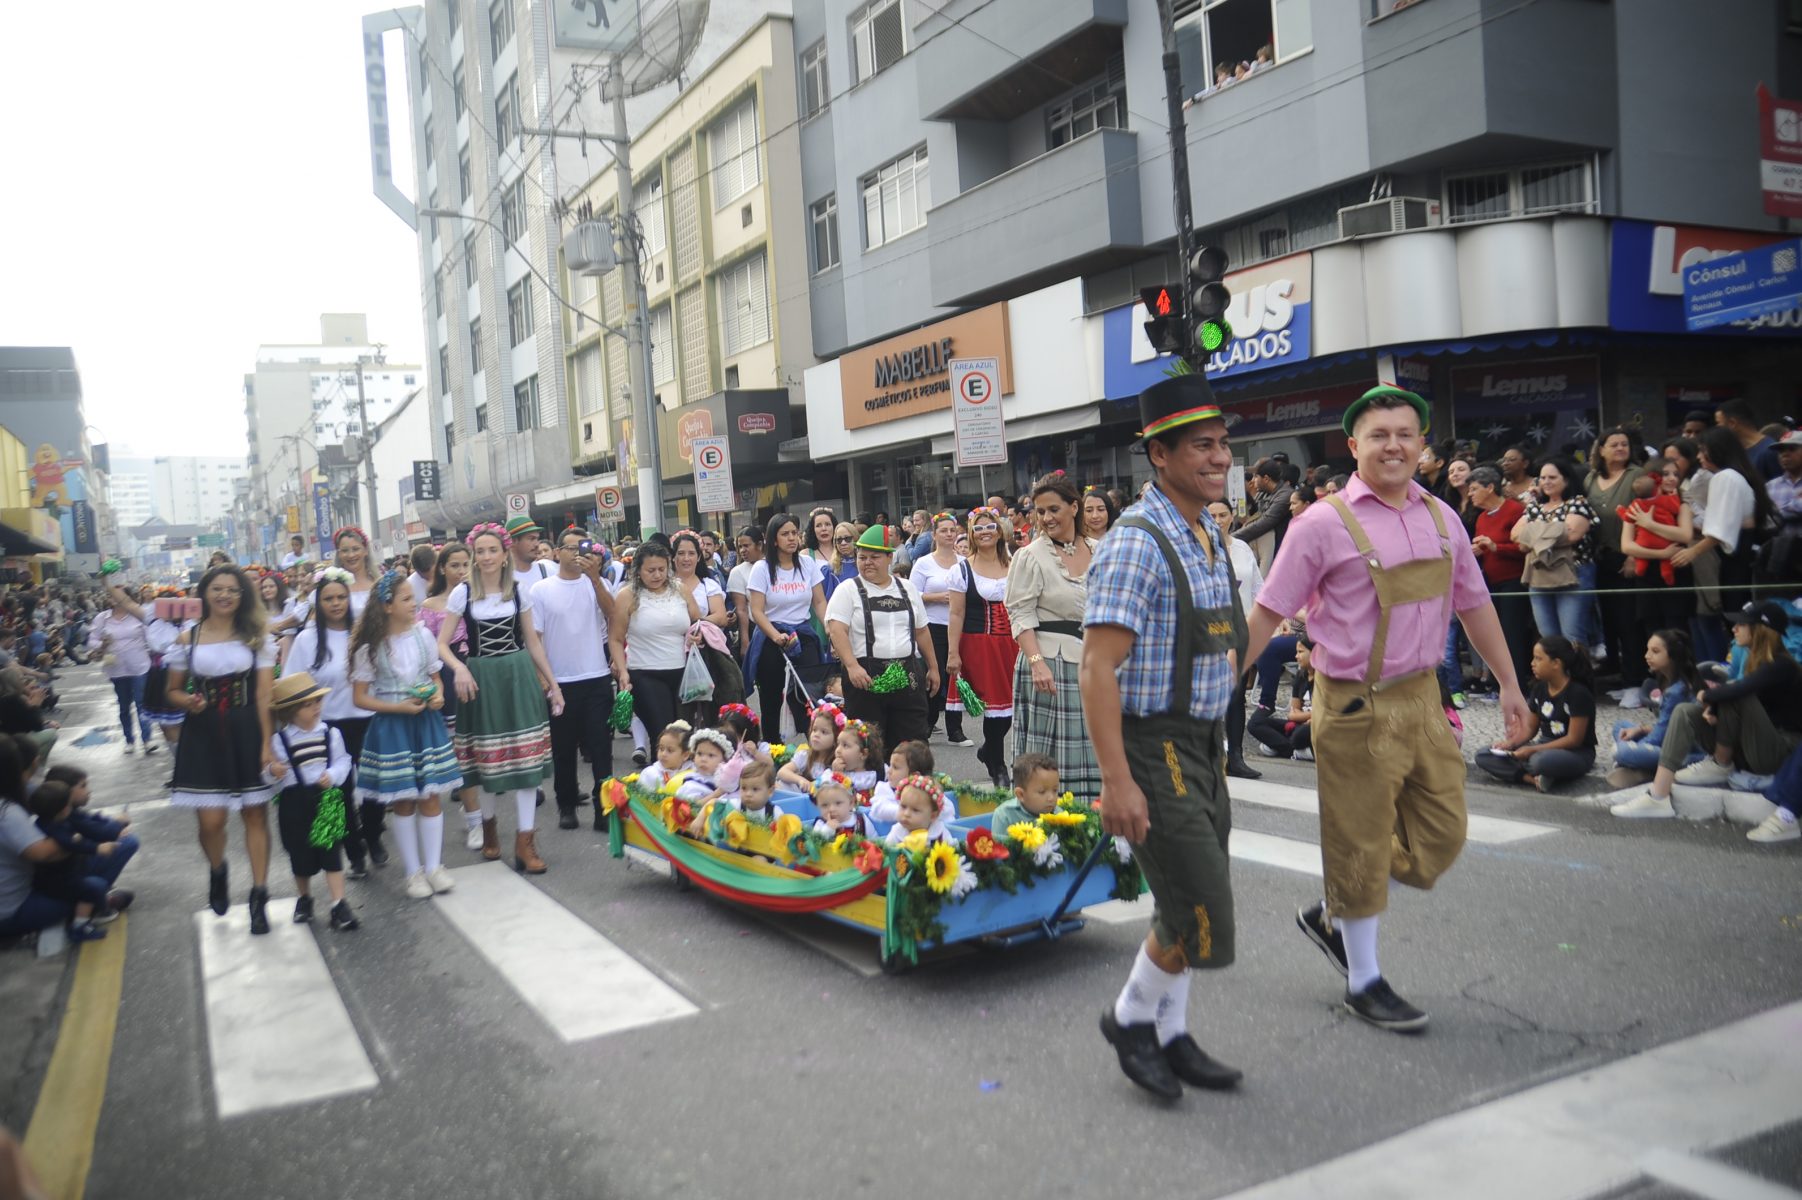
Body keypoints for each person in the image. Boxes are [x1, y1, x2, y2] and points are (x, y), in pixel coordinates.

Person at [1246, 384, 1529, 1034]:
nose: (1394, 445)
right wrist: (1219, 694)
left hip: (1423, 698)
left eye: (1406, 434)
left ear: (1422, 445)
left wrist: (1511, 684)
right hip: (1353, 708)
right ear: (1354, 447)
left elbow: (1475, 604)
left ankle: (1332, 912)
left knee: (1440, 837)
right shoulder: (1320, 524)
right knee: (1361, 842)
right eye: (1379, 435)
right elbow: (1266, 613)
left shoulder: (1442, 517)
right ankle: (1364, 980)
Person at [1082, 375, 1248, 1100]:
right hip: (1157, 747)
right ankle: (1129, 1019)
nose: (1221, 458)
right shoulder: (1136, 543)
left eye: (1223, 444)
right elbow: (1096, 668)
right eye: (1203, 446)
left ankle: (1171, 1033)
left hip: (1205, 744)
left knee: (1178, 899)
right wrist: (1118, 780)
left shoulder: (1208, 528)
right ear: (1160, 454)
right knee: (1200, 906)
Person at [439, 524, 562, 873]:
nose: (487, 557)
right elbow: (442, 644)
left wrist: (553, 683)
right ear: (474, 556)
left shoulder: (521, 591)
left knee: (526, 762)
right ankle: (489, 827)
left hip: (517, 674)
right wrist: (460, 669)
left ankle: (525, 841)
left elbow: (533, 642)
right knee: (486, 762)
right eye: (480, 551)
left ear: (504, 553)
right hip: (480, 677)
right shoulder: (462, 594)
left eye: (493, 550)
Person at [164, 564, 280, 935]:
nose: (225, 595)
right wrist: (188, 701)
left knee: (255, 815)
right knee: (210, 822)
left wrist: (267, 743)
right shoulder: (188, 639)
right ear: (205, 593)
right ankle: (218, 869)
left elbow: (264, 694)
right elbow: (172, 690)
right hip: (204, 732)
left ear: (243, 594)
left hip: (247, 728)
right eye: (218, 589)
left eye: (232, 589)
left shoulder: (257, 636)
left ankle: (259, 895)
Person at [1612, 601, 1802, 818]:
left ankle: (1720, 763)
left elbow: (1740, 691)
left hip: (1780, 749)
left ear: (1760, 630)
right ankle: (1658, 795)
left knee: (1735, 693)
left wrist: (1709, 697)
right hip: (1750, 746)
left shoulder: (1783, 665)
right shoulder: (1754, 662)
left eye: (1741, 624)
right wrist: (1717, 707)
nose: (1734, 629)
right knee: (1684, 711)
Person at [350, 571, 462, 899]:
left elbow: (435, 678)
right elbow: (360, 697)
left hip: (424, 722)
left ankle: (435, 867)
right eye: (406, 599)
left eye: (412, 598)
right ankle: (413, 872)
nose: (414, 604)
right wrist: (399, 708)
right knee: (402, 800)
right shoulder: (369, 646)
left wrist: (438, 696)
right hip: (393, 725)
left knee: (430, 796)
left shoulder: (422, 636)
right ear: (386, 606)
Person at [1007, 475, 1102, 798]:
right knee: (1048, 752)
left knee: (1092, 746)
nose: (1046, 518)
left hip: (1091, 661)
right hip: (1048, 663)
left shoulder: (1100, 551)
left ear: (1074, 508)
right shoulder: (1030, 556)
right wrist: (1036, 663)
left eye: (1054, 509)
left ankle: (1090, 820)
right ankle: (1042, 824)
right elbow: (1020, 613)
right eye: (1040, 511)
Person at [288, 568, 382, 876]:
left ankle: (373, 835)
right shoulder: (306, 640)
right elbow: (294, 684)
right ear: (318, 601)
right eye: (328, 598)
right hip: (328, 726)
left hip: (368, 718)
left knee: (373, 787)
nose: (336, 603)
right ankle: (354, 852)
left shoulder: (366, 633)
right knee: (338, 792)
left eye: (342, 597)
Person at [531, 528, 618, 833]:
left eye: (582, 548)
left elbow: (614, 616)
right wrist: (545, 679)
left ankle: (603, 807)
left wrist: (595, 580)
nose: (576, 554)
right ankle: (566, 804)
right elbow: (535, 639)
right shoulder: (541, 590)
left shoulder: (599, 583)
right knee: (564, 749)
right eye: (569, 549)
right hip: (561, 681)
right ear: (556, 553)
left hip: (596, 677)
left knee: (600, 748)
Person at [826, 526, 941, 750]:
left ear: (890, 557)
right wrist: (852, 666)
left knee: (913, 742)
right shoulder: (847, 589)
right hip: (865, 676)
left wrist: (933, 667)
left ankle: (911, 784)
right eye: (862, 557)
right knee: (868, 746)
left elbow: (921, 631)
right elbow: (836, 630)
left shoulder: (907, 589)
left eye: (874, 557)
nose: (867, 562)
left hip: (908, 673)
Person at [265, 672, 359, 931]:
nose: (316, 708)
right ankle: (304, 897)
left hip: (327, 798)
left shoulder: (331, 734)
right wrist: (273, 772)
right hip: (294, 802)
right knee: (299, 855)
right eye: (308, 705)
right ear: (290, 712)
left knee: (331, 853)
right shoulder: (280, 741)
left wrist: (334, 775)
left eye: (317, 702)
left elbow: (344, 760)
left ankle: (339, 903)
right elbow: (269, 775)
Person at [1676, 426, 1773, 661]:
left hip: (1735, 557)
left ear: (1717, 451)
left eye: (1703, 451)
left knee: (1737, 621)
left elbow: (1720, 528)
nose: (1698, 457)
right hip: (1742, 552)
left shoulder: (1726, 477)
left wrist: (1693, 552)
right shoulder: (1732, 475)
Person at [611, 541, 704, 759]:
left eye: (662, 569)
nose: (657, 575)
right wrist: (623, 671)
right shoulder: (627, 595)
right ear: (638, 571)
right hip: (645, 672)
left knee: (683, 736)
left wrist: (694, 635)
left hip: (682, 672)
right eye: (650, 570)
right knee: (662, 735)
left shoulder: (680, 589)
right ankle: (659, 786)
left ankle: (679, 787)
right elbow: (616, 639)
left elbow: (697, 621)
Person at [420, 544, 483, 852]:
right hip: (445, 676)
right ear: (442, 567)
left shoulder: (481, 598)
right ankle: (474, 819)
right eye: (454, 565)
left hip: (481, 672)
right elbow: (426, 650)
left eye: (465, 565)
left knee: (482, 749)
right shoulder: (429, 605)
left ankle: (481, 813)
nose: (461, 571)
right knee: (461, 753)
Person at [947, 507, 1015, 787]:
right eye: (978, 528)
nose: (985, 532)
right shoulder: (961, 568)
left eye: (990, 527)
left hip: (1014, 643)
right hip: (979, 645)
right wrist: (953, 652)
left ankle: (988, 750)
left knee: (1009, 711)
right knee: (992, 709)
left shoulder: (1016, 562)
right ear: (972, 534)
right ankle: (997, 765)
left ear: (1000, 531)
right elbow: (956, 613)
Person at [746, 514, 830, 739]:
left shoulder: (807, 564)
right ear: (773, 539)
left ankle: (818, 750)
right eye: (785, 534)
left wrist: (830, 628)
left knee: (811, 696)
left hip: (802, 633)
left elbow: (819, 601)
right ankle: (773, 750)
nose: (792, 538)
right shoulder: (762, 568)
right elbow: (756, 610)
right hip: (771, 636)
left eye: (794, 533)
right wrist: (775, 636)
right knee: (771, 699)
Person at [1476, 636, 1597, 792]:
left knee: (1539, 762)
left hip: (1576, 753)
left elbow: (1574, 740)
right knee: (1484, 755)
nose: (1532, 663)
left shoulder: (1578, 693)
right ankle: (1533, 779)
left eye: (1539, 659)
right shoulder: (1539, 689)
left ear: (1556, 663)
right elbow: (1530, 729)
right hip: (1543, 746)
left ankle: (1535, 772)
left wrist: (1532, 750)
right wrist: (1511, 744)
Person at [1585, 427, 1650, 688]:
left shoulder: (1637, 476)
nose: (1621, 448)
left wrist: (1634, 556)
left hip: (1628, 556)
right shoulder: (1590, 478)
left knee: (1628, 620)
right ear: (1601, 450)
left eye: (1624, 444)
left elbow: (1646, 516)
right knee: (1607, 618)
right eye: (1614, 444)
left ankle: (1634, 677)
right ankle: (1614, 668)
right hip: (1599, 557)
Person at [1208, 499, 1266, 780]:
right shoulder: (1192, 548)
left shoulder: (1242, 549)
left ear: (1232, 517)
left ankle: (1236, 756)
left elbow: (1257, 589)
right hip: (1206, 633)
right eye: (1212, 515)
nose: (1218, 520)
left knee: (1236, 696)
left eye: (1223, 515)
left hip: (1238, 631)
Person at [1513, 458, 1595, 647]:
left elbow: (1573, 534)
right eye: (1542, 478)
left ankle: (1578, 676)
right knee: (1548, 637)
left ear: (1566, 480)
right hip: (1538, 576)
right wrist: (1556, 531)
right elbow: (1516, 534)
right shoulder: (1534, 507)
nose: (1546, 482)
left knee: (1572, 636)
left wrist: (1533, 534)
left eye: (1552, 477)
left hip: (1574, 574)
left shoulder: (1578, 502)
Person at [1466, 465, 1534, 692]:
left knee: (1512, 633)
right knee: (1497, 635)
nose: (1469, 493)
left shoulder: (1516, 511)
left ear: (1490, 487)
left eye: (1474, 488)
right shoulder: (1482, 518)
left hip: (1514, 580)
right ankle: (1498, 683)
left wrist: (1495, 547)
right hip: (1491, 581)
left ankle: (1518, 686)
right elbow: (1486, 546)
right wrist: (1479, 550)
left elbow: (1524, 547)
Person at [1606, 629, 1701, 789]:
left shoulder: (1676, 691)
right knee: (1620, 726)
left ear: (1673, 656)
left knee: (1622, 752)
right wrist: (1640, 730)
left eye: (1655, 651)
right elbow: (1666, 727)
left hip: (1689, 754)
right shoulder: (1669, 681)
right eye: (1648, 650)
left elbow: (1658, 738)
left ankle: (1646, 769)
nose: (1647, 656)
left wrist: (1636, 747)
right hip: (1669, 739)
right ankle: (1646, 769)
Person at [909, 513, 969, 746]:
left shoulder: (963, 561)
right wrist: (937, 597)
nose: (948, 534)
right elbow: (912, 594)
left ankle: (955, 729)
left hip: (958, 626)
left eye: (952, 530)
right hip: (932, 626)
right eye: (943, 530)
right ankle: (926, 723)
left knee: (956, 676)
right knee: (935, 675)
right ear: (934, 535)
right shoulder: (924, 563)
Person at [87, 583, 156, 756]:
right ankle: (129, 740)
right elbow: (91, 641)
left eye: (118, 595)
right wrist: (102, 644)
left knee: (141, 703)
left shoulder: (139, 615)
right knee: (124, 706)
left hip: (139, 666)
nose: (114, 598)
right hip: (116, 668)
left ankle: (147, 740)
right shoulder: (102, 618)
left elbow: (152, 638)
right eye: (112, 595)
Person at [1247, 635, 1315, 760]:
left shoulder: (1323, 680)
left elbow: (1322, 714)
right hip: (1298, 725)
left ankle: (1283, 747)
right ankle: (1297, 751)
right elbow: (1292, 714)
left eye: (1300, 652)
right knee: (1254, 724)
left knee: (1301, 734)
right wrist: (1308, 715)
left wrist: (1306, 716)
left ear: (1315, 653)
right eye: (1296, 652)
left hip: (1313, 727)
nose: (1296, 656)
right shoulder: (1300, 676)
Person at [1236, 460, 1294, 571]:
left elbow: (1264, 523)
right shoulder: (1264, 493)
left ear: (1266, 479)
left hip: (1280, 551)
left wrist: (1233, 538)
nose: (1253, 480)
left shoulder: (1285, 495)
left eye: (1256, 477)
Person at [990, 751, 1060, 834]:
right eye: (1042, 792)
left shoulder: (1059, 814)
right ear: (1021, 795)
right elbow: (998, 846)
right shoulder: (1004, 816)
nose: (1051, 798)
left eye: (1055, 790)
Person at [1715, 397, 1781, 484]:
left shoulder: (1769, 450)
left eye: (1719, 423)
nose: (1717, 428)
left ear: (1732, 423)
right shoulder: (1733, 451)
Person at [725, 525, 763, 660]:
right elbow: (742, 610)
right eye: (740, 547)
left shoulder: (774, 566)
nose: (742, 550)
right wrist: (745, 642)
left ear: (759, 544)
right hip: (755, 629)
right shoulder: (738, 572)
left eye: (746, 546)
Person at [332, 527, 380, 618]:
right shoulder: (333, 586)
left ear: (365, 551)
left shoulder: (379, 583)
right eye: (345, 550)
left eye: (356, 549)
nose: (351, 555)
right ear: (338, 554)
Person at [637, 721, 692, 793]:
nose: (663, 754)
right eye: (661, 749)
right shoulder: (651, 774)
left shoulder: (693, 772)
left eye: (670, 750)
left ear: (685, 755)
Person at [504, 516, 553, 589]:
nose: (537, 544)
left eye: (537, 539)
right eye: (531, 539)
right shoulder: (500, 577)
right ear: (513, 541)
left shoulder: (549, 570)